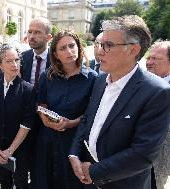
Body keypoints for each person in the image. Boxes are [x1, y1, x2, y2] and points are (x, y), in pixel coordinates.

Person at [69, 15, 170, 189]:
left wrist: (94, 172)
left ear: (133, 50)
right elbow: (88, 119)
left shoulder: (158, 92)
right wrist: (74, 154)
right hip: (88, 180)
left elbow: (143, 154)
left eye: (108, 45)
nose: (99, 51)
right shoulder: (100, 80)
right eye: (100, 44)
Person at [31, 30, 97, 189]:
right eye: (63, 48)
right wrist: (44, 118)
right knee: (45, 179)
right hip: (47, 138)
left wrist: (72, 123)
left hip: (74, 141)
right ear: (55, 54)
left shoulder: (93, 78)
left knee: (70, 182)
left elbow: (93, 113)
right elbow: (41, 103)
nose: (69, 51)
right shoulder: (48, 76)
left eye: (72, 46)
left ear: (79, 47)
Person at [0, 43, 36, 189]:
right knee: (4, 183)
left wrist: (10, 150)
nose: (14, 64)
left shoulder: (28, 90)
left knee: (21, 183)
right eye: (9, 61)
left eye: (17, 60)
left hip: (20, 149)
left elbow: (27, 123)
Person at [146, 41, 170, 189]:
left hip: (160, 163)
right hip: (135, 161)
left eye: (155, 59)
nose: (149, 62)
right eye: (149, 58)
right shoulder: (145, 84)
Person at [21, 16, 52, 87]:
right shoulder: (23, 57)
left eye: (37, 32)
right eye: (30, 32)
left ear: (48, 37)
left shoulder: (57, 58)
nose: (31, 36)